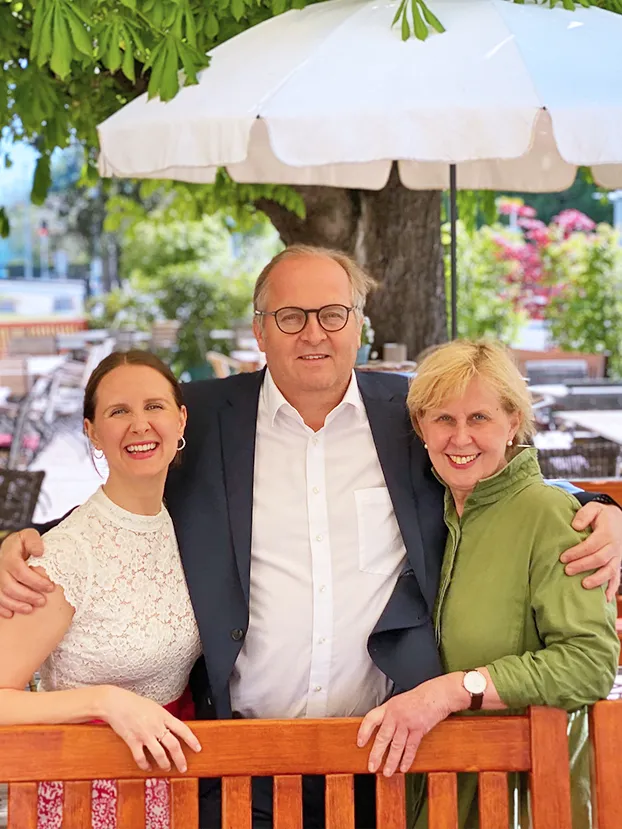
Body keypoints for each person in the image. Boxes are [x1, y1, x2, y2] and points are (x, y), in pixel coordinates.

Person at [1, 246, 621, 829]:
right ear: (260, 329)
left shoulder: (409, 412)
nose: (313, 332)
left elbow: (492, 469)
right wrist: (29, 539)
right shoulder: (204, 416)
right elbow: (128, 494)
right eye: (291, 316)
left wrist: (596, 506)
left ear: (359, 324)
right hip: (240, 762)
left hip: (385, 756)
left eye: (332, 313)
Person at [356, 339, 619, 828]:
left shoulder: (551, 515)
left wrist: (454, 690)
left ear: (513, 421)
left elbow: (590, 663)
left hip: (526, 797)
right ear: (420, 427)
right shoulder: (430, 511)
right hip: (437, 792)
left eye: (479, 418)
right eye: (444, 419)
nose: (461, 438)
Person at [0, 350, 203, 829]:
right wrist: (103, 701)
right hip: (86, 793)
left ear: (181, 420)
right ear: (91, 430)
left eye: (154, 406)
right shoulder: (66, 557)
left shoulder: (191, 527)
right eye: (118, 411)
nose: (140, 425)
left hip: (177, 785)